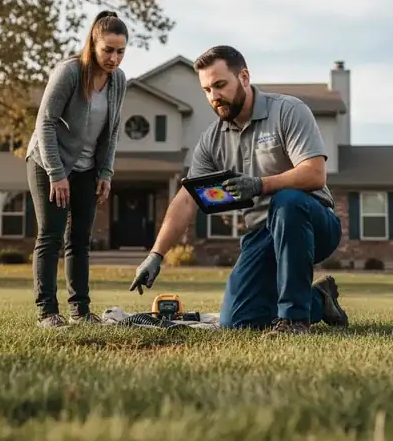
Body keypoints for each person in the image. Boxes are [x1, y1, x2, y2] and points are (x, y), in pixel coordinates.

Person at [129, 45, 349, 334]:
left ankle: (295, 320)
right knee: (238, 320)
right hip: (262, 234)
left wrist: (259, 185)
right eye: (207, 90)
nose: (214, 96)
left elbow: (314, 173)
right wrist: (156, 254)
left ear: (243, 77)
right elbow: (186, 199)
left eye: (220, 85)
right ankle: (319, 299)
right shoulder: (212, 140)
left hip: (312, 222)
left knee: (287, 202)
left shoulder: (287, 110)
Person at [25, 10, 128, 328]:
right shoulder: (69, 72)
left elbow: (111, 130)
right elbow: (45, 121)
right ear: (93, 45)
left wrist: (106, 172)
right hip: (48, 162)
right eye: (108, 50)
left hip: (87, 168)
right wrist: (56, 174)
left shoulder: (118, 81)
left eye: (120, 51)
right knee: (50, 235)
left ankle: (80, 312)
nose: (114, 58)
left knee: (80, 239)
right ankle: (47, 312)